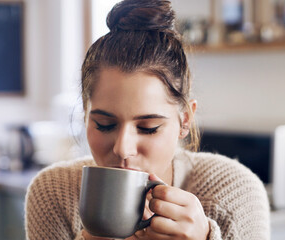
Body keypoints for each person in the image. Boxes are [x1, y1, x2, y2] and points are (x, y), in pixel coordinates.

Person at [25, 0, 270, 239]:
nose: (122, 148)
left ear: (185, 120)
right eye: (104, 125)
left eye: (148, 128)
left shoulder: (234, 192)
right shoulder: (53, 193)